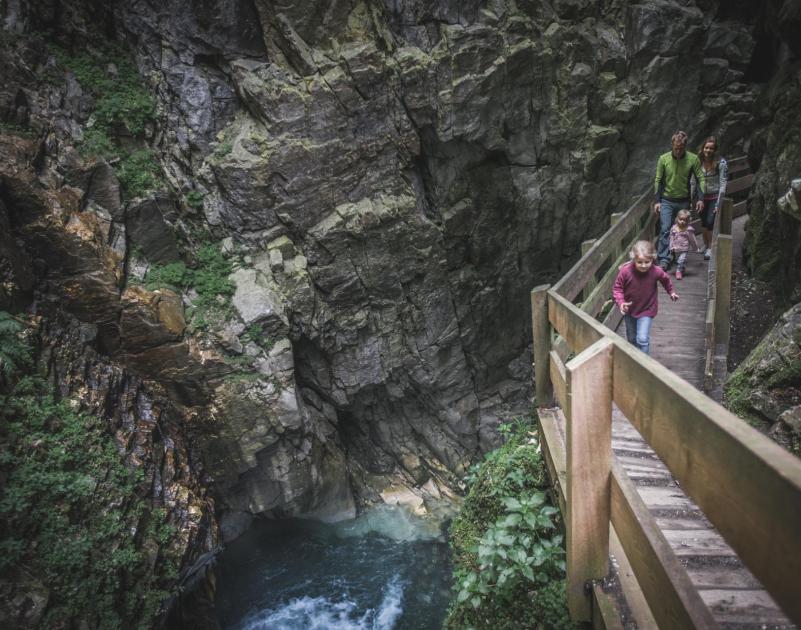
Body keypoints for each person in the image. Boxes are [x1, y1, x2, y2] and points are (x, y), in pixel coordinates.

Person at [612, 240, 679, 355]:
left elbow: (665, 280)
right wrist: (621, 302)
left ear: (652, 259)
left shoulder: (656, 271)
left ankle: (645, 364)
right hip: (630, 310)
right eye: (640, 262)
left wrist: (671, 292)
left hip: (647, 309)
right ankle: (634, 360)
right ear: (634, 260)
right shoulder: (625, 272)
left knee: (642, 339)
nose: (643, 265)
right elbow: (617, 288)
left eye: (647, 262)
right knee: (632, 339)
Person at [653, 131, 705, 270]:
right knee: (665, 229)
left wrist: (700, 198)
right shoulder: (663, 159)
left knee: (682, 230)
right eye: (675, 148)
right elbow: (658, 179)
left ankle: (679, 257)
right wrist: (657, 201)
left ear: (685, 146)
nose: (678, 151)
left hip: (683, 200)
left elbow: (700, 178)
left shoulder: (693, 159)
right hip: (667, 200)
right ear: (672, 145)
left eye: (681, 148)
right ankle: (664, 259)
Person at [696, 136, 728, 259]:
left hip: (714, 196)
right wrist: (695, 196)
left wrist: (719, 202)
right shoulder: (698, 161)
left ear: (715, 150)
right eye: (706, 147)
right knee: (703, 222)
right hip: (702, 196)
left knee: (710, 222)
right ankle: (705, 244)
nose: (708, 150)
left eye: (711, 148)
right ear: (703, 148)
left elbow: (723, 182)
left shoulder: (721, 163)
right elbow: (695, 179)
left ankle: (710, 248)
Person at [669, 209, 699, 279]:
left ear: (688, 220)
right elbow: (671, 238)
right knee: (677, 260)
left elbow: (692, 239)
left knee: (681, 260)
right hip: (676, 248)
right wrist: (670, 247)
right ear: (677, 219)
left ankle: (678, 271)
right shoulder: (674, 228)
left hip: (684, 248)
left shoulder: (688, 230)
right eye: (680, 219)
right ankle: (682, 267)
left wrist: (695, 248)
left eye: (685, 220)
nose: (682, 221)